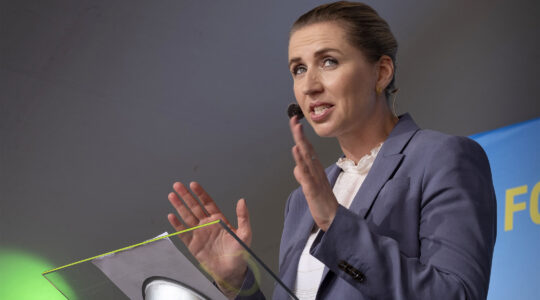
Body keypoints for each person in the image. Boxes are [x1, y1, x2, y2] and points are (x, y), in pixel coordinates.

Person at [167, 1, 497, 299]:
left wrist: (335, 222)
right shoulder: (301, 201)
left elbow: (458, 295)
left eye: (328, 61)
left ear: (381, 72)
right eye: (298, 69)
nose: (309, 85)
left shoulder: (442, 158)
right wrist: (237, 281)